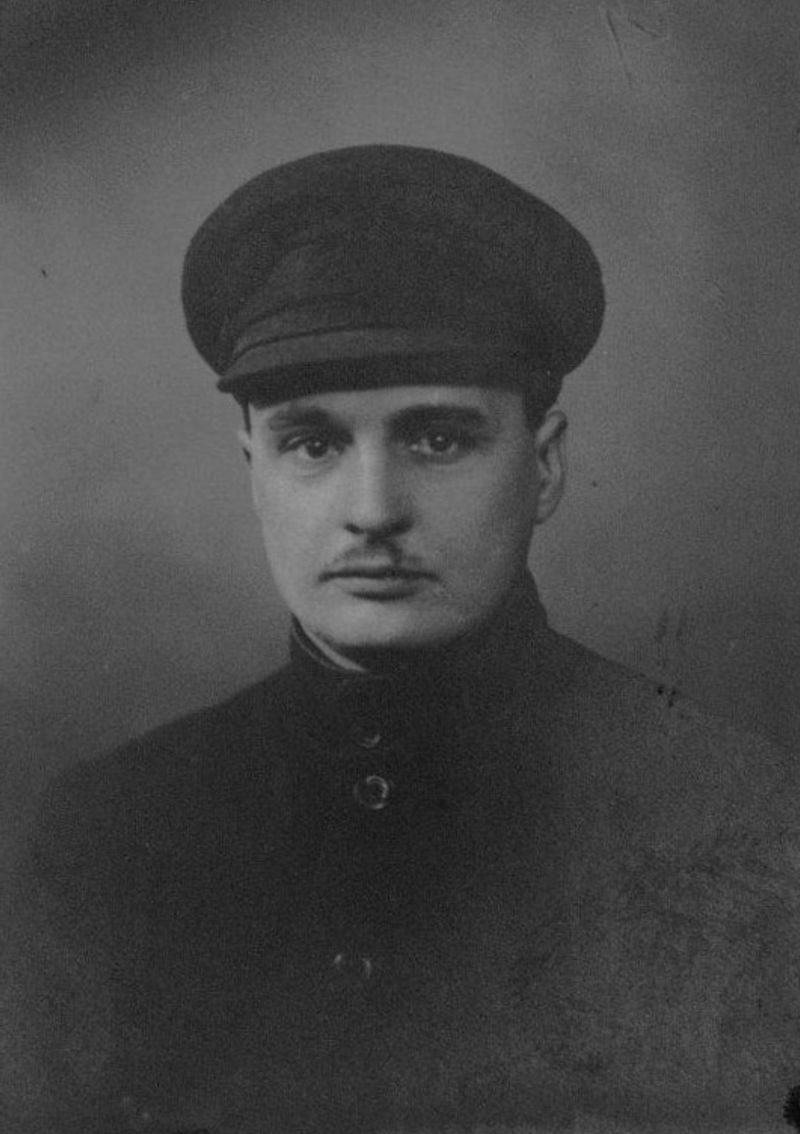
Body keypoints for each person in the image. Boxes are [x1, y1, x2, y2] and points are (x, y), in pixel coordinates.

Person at [3, 145, 799, 1134]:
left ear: (546, 466)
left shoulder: (736, 820)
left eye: (438, 439)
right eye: (312, 443)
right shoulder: (108, 836)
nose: (372, 510)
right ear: (252, 467)